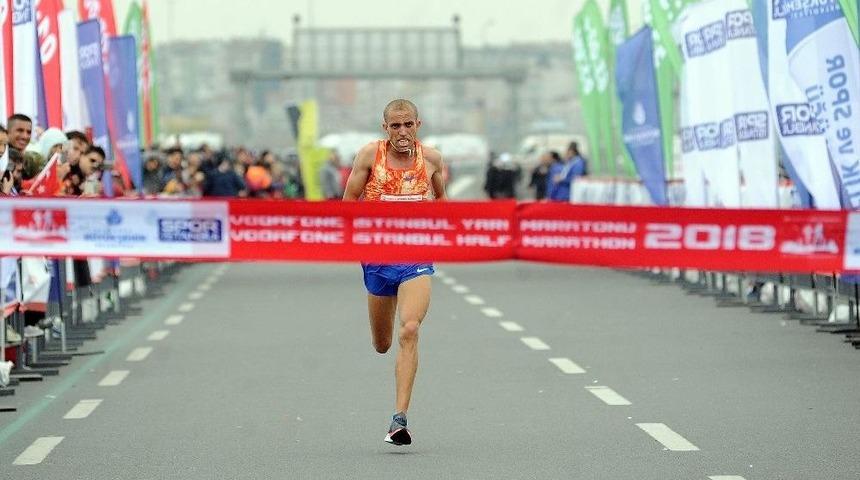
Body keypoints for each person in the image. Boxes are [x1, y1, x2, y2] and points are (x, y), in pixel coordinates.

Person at [342, 99, 447, 446]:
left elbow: (444, 206)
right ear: (385, 128)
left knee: (411, 328)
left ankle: (399, 419)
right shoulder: (369, 157)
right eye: (395, 126)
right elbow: (348, 205)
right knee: (382, 343)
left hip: (416, 256)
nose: (402, 132)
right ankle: (396, 411)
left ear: (418, 124)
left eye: (408, 125)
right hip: (377, 258)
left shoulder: (431, 159)